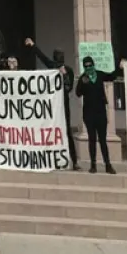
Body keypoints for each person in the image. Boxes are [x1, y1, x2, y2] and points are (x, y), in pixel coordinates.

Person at [24, 38, 80, 171]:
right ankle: (52, 158)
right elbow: (42, 57)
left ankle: (74, 160)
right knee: (51, 130)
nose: (59, 57)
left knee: (67, 132)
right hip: (51, 105)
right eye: (57, 55)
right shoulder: (52, 67)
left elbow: (69, 88)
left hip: (63, 104)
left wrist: (64, 76)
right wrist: (33, 46)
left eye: (60, 55)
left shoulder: (69, 70)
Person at [75, 56, 125, 174]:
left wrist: (120, 67)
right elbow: (78, 93)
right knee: (92, 139)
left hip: (101, 112)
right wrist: (82, 83)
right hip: (89, 114)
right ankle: (93, 165)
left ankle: (108, 165)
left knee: (102, 140)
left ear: (93, 65)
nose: (88, 68)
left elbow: (111, 76)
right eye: (86, 66)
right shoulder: (83, 78)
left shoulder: (100, 74)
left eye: (90, 65)